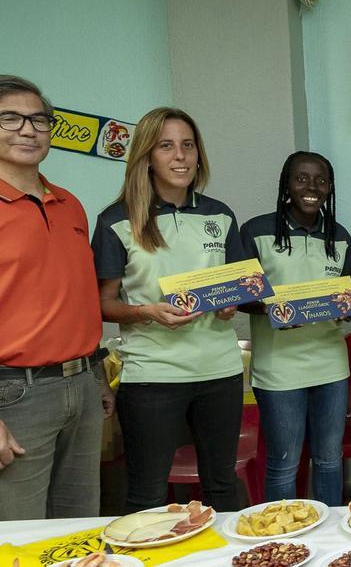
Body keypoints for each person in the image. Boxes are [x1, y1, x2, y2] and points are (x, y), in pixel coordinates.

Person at [93, 107, 245, 512]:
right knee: (147, 496)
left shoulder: (220, 214)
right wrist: (147, 312)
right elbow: (102, 304)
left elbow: (239, 285)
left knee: (222, 488)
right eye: (166, 146)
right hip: (152, 376)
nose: (180, 156)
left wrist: (230, 304)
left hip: (220, 371)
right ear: (146, 156)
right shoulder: (115, 220)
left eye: (188, 145)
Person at [0, 75, 111, 520]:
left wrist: (98, 375)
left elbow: (76, 297)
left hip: (81, 385)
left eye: (39, 119)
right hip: (14, 394)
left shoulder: (70, 204)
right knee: (18, 536)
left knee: (78, 525)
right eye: (11, 118)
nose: (28, 129)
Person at [240, 152, 351, 505]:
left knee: (329, 460)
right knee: (284, 464)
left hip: (331, 367)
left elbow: (347, 294)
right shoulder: (257, 231)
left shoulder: (339, 235)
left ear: (330, 187)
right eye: (302, 179)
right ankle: (282, 539)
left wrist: (343, 309)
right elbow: (239, 297)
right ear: (287, 184)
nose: (312, 188)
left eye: (321, 181)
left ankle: (331, 539)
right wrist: (275, 309)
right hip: (279, 371)